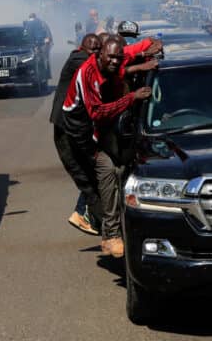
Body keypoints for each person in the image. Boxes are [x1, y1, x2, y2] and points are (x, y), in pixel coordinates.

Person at [62, 37, 152, 258]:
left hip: (103, 129)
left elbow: (127, 54)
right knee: (106, 172)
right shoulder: (88, 73)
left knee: (122, 168)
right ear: (99, 54)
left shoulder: (115, 59)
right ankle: (110, 236)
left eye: (117, 58)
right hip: (78, 133)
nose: (114, 61)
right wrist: (131, 97)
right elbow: (97, 112)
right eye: (110, 57)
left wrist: (149, 44)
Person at [50, 33, 103, 235]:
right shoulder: (78, 59)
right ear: (83, 48)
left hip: (77, 128)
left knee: (93, 174)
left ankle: (86, 215)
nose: (97, 53)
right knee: (88, 179)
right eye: (93, 49)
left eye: (100, 49)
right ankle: (96, 223)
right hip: (67, 130)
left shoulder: (87, 60)